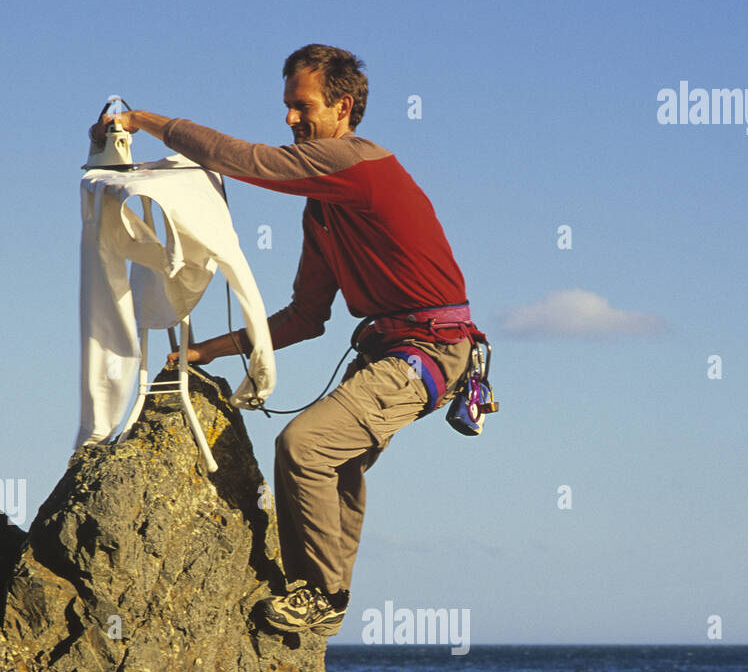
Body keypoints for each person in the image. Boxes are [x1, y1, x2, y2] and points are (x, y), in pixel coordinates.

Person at [95, 44, 487, 637]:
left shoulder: (359, 166)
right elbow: (305, 316)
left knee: (305, 445)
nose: (290, 119)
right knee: (338, 463)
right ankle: (328, 596)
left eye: (301, 107)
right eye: (286, 107)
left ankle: (321, 595)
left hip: (430, 349)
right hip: (391, 349)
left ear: (343, 107)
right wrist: (206, 352)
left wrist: (146, 121)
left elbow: (247, 161)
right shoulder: (324, 211)